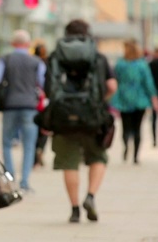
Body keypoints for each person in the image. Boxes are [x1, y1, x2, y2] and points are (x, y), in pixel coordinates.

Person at [45, 19, 117, 223]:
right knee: (98, 158)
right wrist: (99, 102)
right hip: (93, 119)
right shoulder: (98, 57)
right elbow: (111, 86)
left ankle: (74, 209)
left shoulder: (55, 57)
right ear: (87, 34)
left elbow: (48, 89)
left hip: (63, 119)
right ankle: (90, 196)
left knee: (69, 163)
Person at [0, 30, 45, 193]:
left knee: (7, 142)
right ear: (28, 44)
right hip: (30, 106)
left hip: (10, 105)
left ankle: (10, 177)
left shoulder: (5, 59)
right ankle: (25, 182)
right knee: (29, 145)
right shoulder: (36, 62)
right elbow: (42, 82)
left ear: (13, 43)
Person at [111, 39, 158, 165]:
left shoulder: (120, 64)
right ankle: (136, 156)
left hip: (123, 98)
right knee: (138, 128)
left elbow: (114, 80)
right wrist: (153, 98)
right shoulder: (142, 64)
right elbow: (148, 83)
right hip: (140, 99)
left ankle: (126, 143)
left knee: (125, 127)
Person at [33, 43, 50, 168]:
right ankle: (40, 149)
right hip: (45, 100)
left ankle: (35, 156)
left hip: (33, 99)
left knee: (34, 127)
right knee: (45, 128)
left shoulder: (32, 62)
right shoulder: (49, 63)